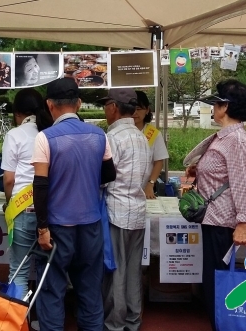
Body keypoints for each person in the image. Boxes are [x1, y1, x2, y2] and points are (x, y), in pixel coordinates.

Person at [31, 78, 117, 331]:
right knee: (90, 290)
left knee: (52, 289)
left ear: (49, 105)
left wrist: (42, 228)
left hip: (57, 227)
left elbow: (40, 186)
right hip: (90, 225)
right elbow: (109, 174)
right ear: (79, 103)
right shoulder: (99, 135)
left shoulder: (45, 138)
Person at [184, 79, 246, 331]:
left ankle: (224, 324)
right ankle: (220, 322)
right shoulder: (224, 137)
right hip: (213, 218)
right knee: (213, 280)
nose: (213, 108)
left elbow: (243, 182)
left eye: (216, 103)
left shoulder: (237, 140)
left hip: (223, 221)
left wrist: (243, 222)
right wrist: (200, 171)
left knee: (219, 281)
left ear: (225, 107)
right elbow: (224, 173)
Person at [99, 89, 149, 331]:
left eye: (105, 105)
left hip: (116, 211)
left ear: (113, 107)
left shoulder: (113, 139)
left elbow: (103, 178)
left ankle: (115, 324)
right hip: (137, 212)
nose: (104, 110)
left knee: (115, 272)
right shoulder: (141, 137)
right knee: (132, 272)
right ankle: (133, 320)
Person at [1, 88, 54, 295]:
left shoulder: (14, 135)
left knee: (19, 272)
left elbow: (9, 179)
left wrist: (8, 203)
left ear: (17, 114)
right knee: (46, 271)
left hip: (23, 211)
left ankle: (19, 323)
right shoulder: (50, 132)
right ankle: (44, 321)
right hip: (48, 210)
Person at [134, 91, 170, 199]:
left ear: (147, 110)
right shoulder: (119, 131)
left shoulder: (153, 133)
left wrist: (150, 184)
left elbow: (159, 161)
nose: (135, 112)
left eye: (139, 109)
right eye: (132, 108)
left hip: (145, 188)